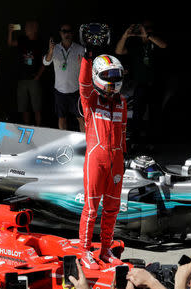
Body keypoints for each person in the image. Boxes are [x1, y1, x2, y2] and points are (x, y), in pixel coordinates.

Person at [78, 52, 127, 269]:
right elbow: (82, 83)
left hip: (116, 161)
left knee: (112, 208)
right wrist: (87, 58)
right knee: (91, 209)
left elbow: (123, 132)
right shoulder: (90, 100)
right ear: (97, 75)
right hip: (95, 160)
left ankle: (105, 250)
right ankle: (85, 251)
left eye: (117, 75)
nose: (113, 80)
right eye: (109, 75)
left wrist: (123, 159)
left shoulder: (122, 102)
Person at [115, 19, 167, 150]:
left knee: (155, 114)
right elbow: (119, 51)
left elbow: (164, 45)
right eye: (144, 28)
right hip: (141, 84)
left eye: (149, 28)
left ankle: (154, 143)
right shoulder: (135, 45)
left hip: (155, 83)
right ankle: (135, 143)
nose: (146, 30)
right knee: (137, 114)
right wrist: (126, 35)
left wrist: (148, 35)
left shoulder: (154, 41)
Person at [43, 23, 85, 131]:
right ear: (60, 33)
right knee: (62, 118)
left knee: (81, 118)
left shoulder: (80, 48)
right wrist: (51, 50)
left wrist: (83, 64)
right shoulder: (55, 48)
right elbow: (46, 62)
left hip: (75, 90)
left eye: (69, 31)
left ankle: (86, 144)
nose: (67, 34)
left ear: (72, 33)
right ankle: (63, 145)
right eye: (64, 31)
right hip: (60, 91)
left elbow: (88, 69)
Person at [7, 20, 45, 126]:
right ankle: (26, 127)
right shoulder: (22, 39)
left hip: (34, 79)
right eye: (26, 27)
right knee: (24, 107)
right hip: (22, 79)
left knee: (37, 107)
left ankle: (39, 128)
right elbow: (10, 44)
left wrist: (38, 76)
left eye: (28, 27)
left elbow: (44, 62)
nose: (25, 29)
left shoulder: (40, 42)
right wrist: (10, 32)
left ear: (34, 29)